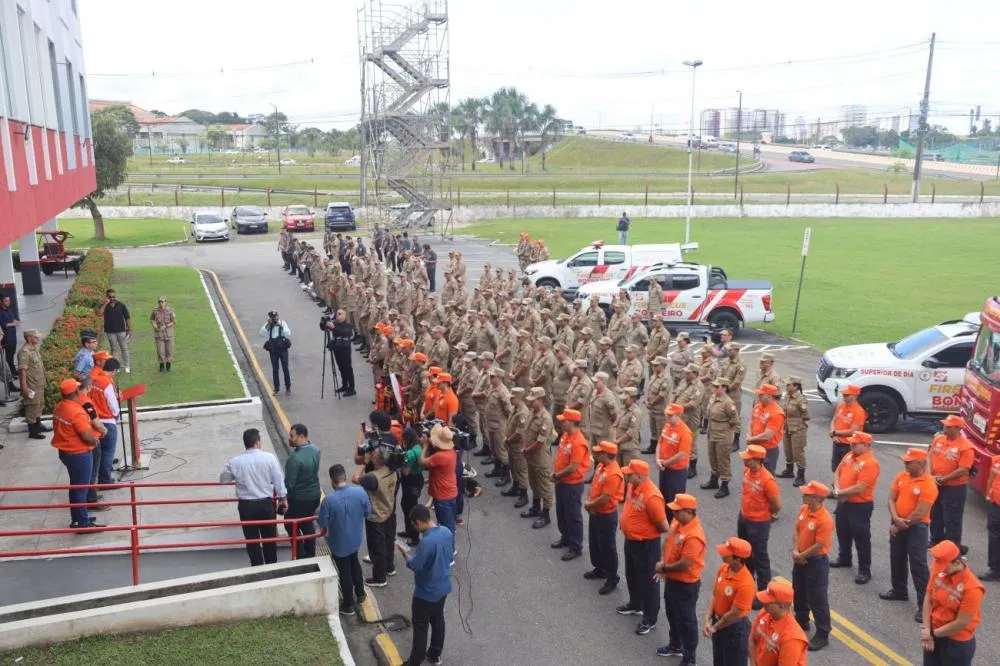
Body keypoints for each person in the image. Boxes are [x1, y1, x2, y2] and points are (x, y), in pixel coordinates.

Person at [881, 447, 939, 622]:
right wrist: (895, 518)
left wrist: (899, 525)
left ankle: (924, 606)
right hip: (898, 522)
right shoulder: (902, 477)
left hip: (916, 528)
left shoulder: (928, 485)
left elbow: (920, 513)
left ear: (921, 464)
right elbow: (891, 498)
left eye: (909, 462)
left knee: (918, 565)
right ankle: (899, 590)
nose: (905, 464)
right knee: (896, 557)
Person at [219, 428, 288, 567]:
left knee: (252, 540)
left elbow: (223, 479)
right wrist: (283, 498)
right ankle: (272, 567)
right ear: (257, 442)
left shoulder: (235, 462)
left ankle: (257, 568)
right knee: (269, 538)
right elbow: (278, 480)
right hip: (266, 504)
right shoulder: (269, 458)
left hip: (246, 507)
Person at [617, 459, 670, 636]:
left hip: (646, 544)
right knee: (631, 574)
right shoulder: (633, 487)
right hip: (631, 540)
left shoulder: (652, 496)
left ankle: (650, 618)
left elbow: (663, 526)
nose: (627, 475)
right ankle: (635, 604)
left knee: (648, 581)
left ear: (639, 476)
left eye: (630, 474)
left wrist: (642, 530)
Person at [655, 493, 706, 664]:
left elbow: (685, 563)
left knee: (686, 620)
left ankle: (690, 657)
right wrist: (663, 561)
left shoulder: (694, 535)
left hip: (686, 584)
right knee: (672, 613)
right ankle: (675, 644)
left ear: (689, 512)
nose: (674, 514)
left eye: (678, 511)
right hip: (672, 579)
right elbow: (667, 543)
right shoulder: (678, 522)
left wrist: (664, 568)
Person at [402, 504, 454, 666]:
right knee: (438, 620)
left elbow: (416, 566)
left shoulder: (427, 542)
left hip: (425, 593)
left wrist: (405, 555)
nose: (414, 528)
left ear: (418, 522)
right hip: (443, 587)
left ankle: (416, 660)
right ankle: (435, 654)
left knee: (420, 626)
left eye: (413, 525)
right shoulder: (446, 531)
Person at [317, 464, 371, 615]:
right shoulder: (360, 492)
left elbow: (322, 523)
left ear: (332, 481)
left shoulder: (328, 501)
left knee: (344, 572)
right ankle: (361, 593)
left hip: (339, 543)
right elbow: (368, 513)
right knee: (355, 563)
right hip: (355, 539)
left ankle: (348, 604)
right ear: (345, 477)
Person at [921, 540, 983, 666]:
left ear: (957, 563)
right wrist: (927, 629)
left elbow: (961, 623)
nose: (938, 569)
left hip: (956, 643)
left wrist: (932, 634)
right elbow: (928, 599)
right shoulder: (939, 571)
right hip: (933, 634)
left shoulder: (973, 588)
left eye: (942, 565)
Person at [51, 378, 102, 530]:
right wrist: (95, 441)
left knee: (75, 487)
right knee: (81, 488)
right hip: (79, 454)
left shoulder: (60, 407)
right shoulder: (76, 412)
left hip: (67, 452)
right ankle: (83, 523)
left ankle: (78, 518)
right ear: (75, 392)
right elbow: (86, 436)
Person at [830, 431, 880, 585]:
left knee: (861, 537)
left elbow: (861, 488)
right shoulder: (849, 456)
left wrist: (839, 493)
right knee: (842, 531)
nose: (851, 445)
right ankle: (844, 557)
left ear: (866, 445)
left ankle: (865, 569)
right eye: (851, 442)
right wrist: (838, 489)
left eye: (855, 443)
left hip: (860, 505)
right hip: (844, 502)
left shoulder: (870, 463)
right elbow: (838, 472)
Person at [792, 481, 834, 651]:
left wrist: (801, 555)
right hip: (800, 559)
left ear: (815, 498)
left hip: (815, 562)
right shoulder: (804, 510)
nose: (803, 495)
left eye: (807, 494)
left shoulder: (824, 520)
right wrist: (796, 551)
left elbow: (819, 545)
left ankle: (823, 633)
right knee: (799, 591)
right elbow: (797, 530)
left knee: (817, 598)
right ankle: (802, 620)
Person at [703, 537, 755, 666]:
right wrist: (707, 620)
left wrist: (714, 628)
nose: (722, 554)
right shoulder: (723, 569)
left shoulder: (746, 584)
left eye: (727, 553)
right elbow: (714, 594)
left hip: (734, 629)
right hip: (719, 622)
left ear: (737, 559)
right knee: (719, 661)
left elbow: (733, 614)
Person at [737, 444, 781, 592]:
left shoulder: (768, 480)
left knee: (759, 556)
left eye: (748, 459)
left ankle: (763, 590)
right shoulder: (746, 471)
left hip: (758, 523)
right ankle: (747, 584)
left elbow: (776, 505)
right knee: (745, 552)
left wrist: (767, 514)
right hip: (744, 517)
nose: (745, 461)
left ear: (757, 460)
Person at [551, 408, 592, 561]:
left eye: (564, 420)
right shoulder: (566, 436)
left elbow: (573, 467)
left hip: (572, 484)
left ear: (571, 422)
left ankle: (576, 546)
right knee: (561, 512)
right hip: (561, 481)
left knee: (573, 515)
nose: (561, 422)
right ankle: (565, 537)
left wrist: (556, 475)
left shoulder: (579, 442)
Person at [584, 441, 625, 595]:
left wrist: (590, 505)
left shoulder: (613, 473)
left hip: (606, 514)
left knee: (608, 547)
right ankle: (599, 568)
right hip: (596, 511)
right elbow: (595, 486)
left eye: (599, 452)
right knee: (595, 542)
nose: (596, 454)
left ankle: (612, 578)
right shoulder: (601, 466)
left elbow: (605, 498)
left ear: (607, 455)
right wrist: (590, 502)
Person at [357, 440, 399, 587]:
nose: (371, 454)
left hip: (375, 516)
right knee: (388, 541)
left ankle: (379, 578)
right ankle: (389, 567)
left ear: (377, 459)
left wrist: (364, 463)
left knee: (376, 548)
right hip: (389, 511)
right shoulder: (392, 470)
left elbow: (355, 479)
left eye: (373, 454)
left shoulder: (372, 477)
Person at [928, 415, 973, 551]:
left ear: (958, 429)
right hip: (936, 484)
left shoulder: (965, 447)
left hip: (954, 489)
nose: (944, 429)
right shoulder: (938, 439)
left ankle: (951, 547)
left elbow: (963, 470)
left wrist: (943, 479)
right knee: (935, 515)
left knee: (952, 519)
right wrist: (932, 476)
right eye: (944, 426)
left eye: (948, 427)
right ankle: (936, 540)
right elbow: (931, 456)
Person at [749, 579, 809, 665]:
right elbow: (752, 639)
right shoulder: (765, 612)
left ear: (781, 606)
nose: (763, 602)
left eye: (768, 601)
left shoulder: (792, 638)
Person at [284, 424, 321, 558]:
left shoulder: (294, 459)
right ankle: (310, 553)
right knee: (307, 523)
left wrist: (282, 500)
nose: (289, 438)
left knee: (290, 523)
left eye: (292, 436)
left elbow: (289, 484)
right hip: (315, 496)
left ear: (301, 437)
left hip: (299, 499)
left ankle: (299, 553)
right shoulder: (316, 450)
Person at [701, 378, 740, 498]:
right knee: (712, 456)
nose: (714, 388)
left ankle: (724, 485)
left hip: (723, 435)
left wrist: (725, 431)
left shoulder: (728, 403)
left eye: (717, 386)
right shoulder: (713, 398)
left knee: (723, 459)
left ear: (724, 388)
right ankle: (714, 480)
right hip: (712, 432)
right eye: (714, 386)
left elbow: (735, 420)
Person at [421, 424, 459, 535]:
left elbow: (422, 462)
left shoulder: (440, 457)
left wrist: (425, 446)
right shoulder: (451, 452)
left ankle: (449, 549)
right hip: (450, 491)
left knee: (445, 526)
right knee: (448, 522)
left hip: (442, 495)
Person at [657, 404, 693, 521]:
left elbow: (681, 455)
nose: (667, 417)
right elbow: (659, 442)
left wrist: (664, 463)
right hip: (664, 467)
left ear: (678, 415)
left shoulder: (685, 432)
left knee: (674, 498)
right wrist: (658, 459)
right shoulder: (667, 426)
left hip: (676, 471)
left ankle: (674, 522)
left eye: (670, 415)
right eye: (667, 414)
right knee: (663, 494)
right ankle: (664, 519)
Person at [89, 354, 121, 486]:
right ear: (113, 370)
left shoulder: (95, 380)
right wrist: (116, 413)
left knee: (100, 452)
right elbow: (112, 403)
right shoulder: (107, 382)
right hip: (107, 420)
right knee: (108, 452)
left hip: (95, 420)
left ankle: (100, 477)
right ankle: (105, 480)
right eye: (117, 372)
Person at [778, 376, 810, 486]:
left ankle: (801, 476)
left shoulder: (801, 399)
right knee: (788, 450)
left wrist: (797, 423)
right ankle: (789, 470)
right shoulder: (787, 396)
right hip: (787, 428)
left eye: (788, 385)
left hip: (797, 430)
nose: (786, 386)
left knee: (798, 452)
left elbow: (807, 416)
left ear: (795, 386)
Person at [746, 384, 785, 474]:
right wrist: (749, 435)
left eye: (761, 395)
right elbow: (751, 422)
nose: (758, 396)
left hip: (767, 450)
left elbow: (767, 435)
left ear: (770, 396)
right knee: (751, 474)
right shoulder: (758, 406)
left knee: (765, 477)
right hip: (754, 446)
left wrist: (750, 439)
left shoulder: (776, 413)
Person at [18, 328, 48, 440]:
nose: (38, 338)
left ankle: (38, 425)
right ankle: (33, 431)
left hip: (39, 383)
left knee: (39, 405)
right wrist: (24, 387)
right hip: (32, 385)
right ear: (29, 338)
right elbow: (22, 371)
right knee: (32, 408)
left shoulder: (33, 349)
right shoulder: (24, 352)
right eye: (36, 337)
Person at [829, 384, 866, 472]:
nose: (843, 397)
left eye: (846, 395)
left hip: (849, 446)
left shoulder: (859, 412)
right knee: (836, 469)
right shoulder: (841, 406)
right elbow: (834, 420)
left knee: (847, 470)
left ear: (854, 396)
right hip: (837, 442)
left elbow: (853, 431)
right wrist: (833, 435)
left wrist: (835, 433)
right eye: (844, 395)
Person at [399, 425, 425, 547]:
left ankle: (414, 536)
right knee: (408, 505)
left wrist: (398, 464)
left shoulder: (410, 453)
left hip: (410, 481)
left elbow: (406, 471)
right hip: (418, 479)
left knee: (409, 508)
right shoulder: (418, 447)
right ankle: (409, 531)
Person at [98, 289, 132, 373]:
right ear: (107, 297)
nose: (112, 298)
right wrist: (106, 303)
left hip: (121, 330)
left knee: (124, 348)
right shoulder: (104, 305)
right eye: (110, 297)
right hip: (110, 331)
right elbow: (99, 313)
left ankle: (127, 366)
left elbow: (127, 317)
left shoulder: (121, 305)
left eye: (113, 296)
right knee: (114, 349)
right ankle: (117, 367)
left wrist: (129, 329)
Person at [260, 310, 292, 395]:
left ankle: (288, 387)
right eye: (272, 318)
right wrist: (268, 324)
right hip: (273, 350)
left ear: (278, 316)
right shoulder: (268, 325)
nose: (274, 319)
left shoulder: (283, 323)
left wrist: (280, 325)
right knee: (275, 369)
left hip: (283, 349)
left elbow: (288, 333)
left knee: (285, 368)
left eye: (275, 317)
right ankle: (276, 388)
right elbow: (261, 333)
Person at [326, 309, 357, 396]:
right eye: (337, 314)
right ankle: (344, 385)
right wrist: (325, 323)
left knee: (347, 368)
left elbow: (346, 333)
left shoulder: (348, 325)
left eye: (340, 314)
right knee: (341, 367)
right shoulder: (335, 323)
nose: (338, 315)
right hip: (337, 348)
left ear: (344, 316)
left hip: (345, 349)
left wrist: (333, 328)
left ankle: (351, 388)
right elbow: (323, 328)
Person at [983, 451, 1000, 581]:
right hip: (995, 504)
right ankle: (995, 569)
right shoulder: (996, 460)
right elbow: (991, 478)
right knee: (994, 535)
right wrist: (988, 495)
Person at [150, 296, 176, 371]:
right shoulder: (155, 311)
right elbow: (152, 319)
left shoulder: (170, 310)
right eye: (159, 302)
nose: (161, 303)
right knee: (160, 351)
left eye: (162, 302)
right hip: (159, 334)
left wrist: (166, 326)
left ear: (165, 302)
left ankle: (168, 365)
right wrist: (154, 326)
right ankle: (161, 365)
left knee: (169, 350)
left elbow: (174, 321)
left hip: (168, 333)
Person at [0, 295, 19, 388]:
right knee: (7, 358)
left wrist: (16, 321)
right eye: (6, 301)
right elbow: (4, 325)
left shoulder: (9, 310)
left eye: (9, 300)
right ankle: (11, 374)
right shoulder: (0, 312)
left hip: (13, 336)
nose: (8, 302)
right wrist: (14, 324)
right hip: (7, 338)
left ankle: (13, 371)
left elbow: (14, 318)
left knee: (12, 354)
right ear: (1, 302)